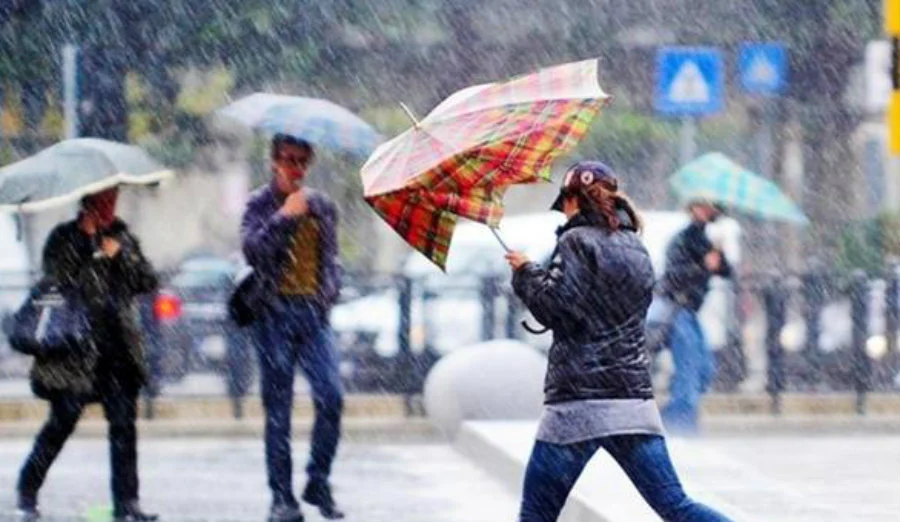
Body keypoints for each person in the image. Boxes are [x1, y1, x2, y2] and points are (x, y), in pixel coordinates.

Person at [505, 161, 732, 522]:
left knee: (537, 514)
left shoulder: (574, 241)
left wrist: (526, 273)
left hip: (578, 404)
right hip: (631, 401)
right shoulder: (634, 245)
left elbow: (557, 309)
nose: (563, 210)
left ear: (574, 200)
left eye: (564, 201)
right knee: (676, 505)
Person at [16, 187, 159, 522]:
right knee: (61, 423)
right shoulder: (63, 238)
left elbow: (147, 280)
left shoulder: (122, 236)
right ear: (88, 201)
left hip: (118, 349)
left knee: (124, 428)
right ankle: (28, 488)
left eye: (114, 199)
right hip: (75, 351)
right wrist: (89, 249)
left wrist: (120, 255)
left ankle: (127, 504)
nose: (111, 207)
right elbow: (60, 283)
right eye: (104, 200)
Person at [241, 134, 344, 522]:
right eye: (288, 160)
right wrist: (284, 216)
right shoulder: (259, 204)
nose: (295, 168)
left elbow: (332, 260)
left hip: (312, 315)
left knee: (331, 397)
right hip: (274, 316)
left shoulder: (322, 207)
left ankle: (318, 479)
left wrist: (328, 294)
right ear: (274, 162)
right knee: (279, 411)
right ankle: (282, 498)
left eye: (302, 161)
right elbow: (253, 250)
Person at [658, 200, 732, 435]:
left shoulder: (705, 240)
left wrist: (718, 255)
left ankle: (672, 416)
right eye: (701, 206)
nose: (706, 211)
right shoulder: (683, 239)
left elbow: (726, 271)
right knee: (689, 370)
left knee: (703, 369)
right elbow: (674, 275)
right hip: (678, 310)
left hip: (690, 313)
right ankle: (680, 424)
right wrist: (703, 265)